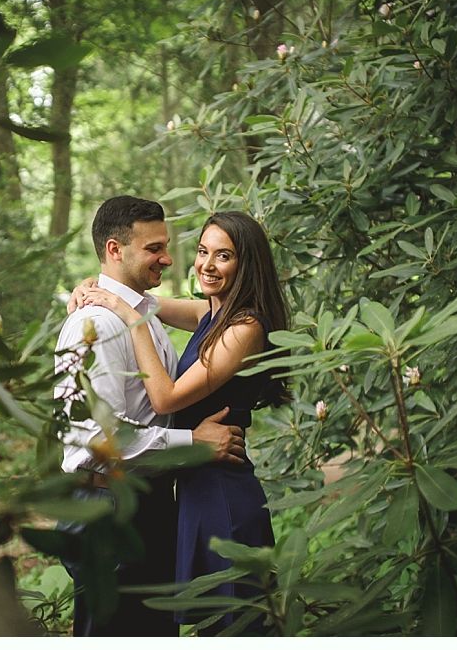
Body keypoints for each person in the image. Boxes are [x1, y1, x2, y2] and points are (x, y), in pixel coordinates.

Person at [76, 211, 289, 635]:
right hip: (194, 490)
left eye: (223, 256)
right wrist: (92, 288)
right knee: (210, 622)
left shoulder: (245, 326)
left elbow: (165, 396)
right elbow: (147, 300)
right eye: (202, 251)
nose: (207, 265)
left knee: (234, 624)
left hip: (222, 493)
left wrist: (129, 317)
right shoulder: (213, 313)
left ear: (246, 264)